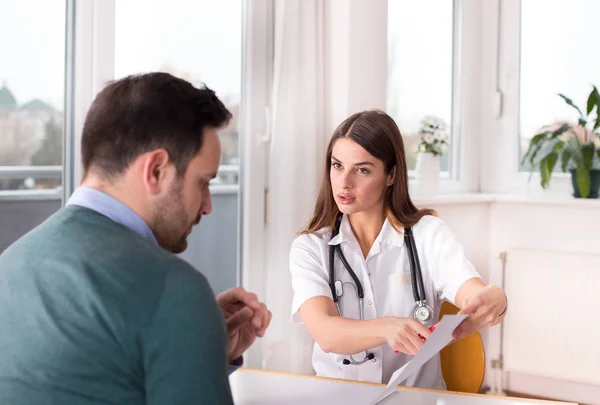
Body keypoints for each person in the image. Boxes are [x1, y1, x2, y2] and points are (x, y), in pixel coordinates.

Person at [0, 72, 271, 405]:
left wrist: (196, 345)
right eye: (203, 182)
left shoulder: (10, 266)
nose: (208, 205)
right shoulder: (173, 289)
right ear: (156, 170)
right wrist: (187, 318)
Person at [289, 109, 506, 389]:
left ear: (391, 175)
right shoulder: (310, 248)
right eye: (337, 165)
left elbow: (473, 294)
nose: (344, 182)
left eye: (362, 170)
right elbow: (326, 333)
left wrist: (494, 299)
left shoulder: (427, 235)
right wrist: (388, 327)